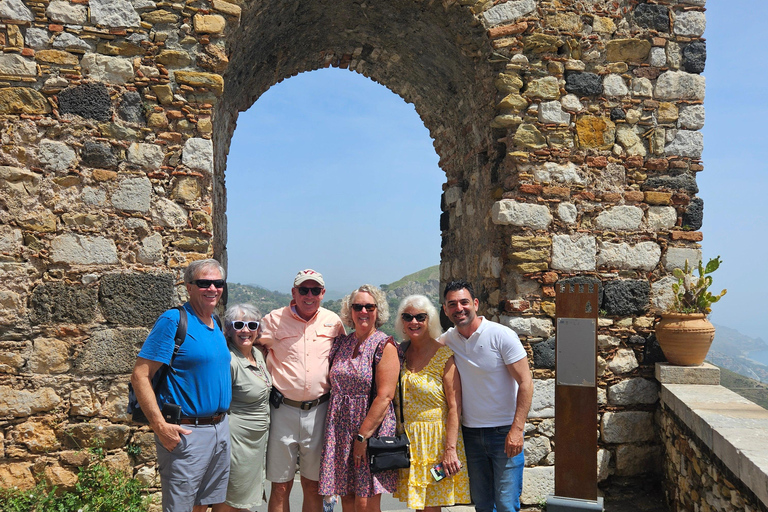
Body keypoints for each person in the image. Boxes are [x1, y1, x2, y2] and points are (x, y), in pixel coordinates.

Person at [131, 259, 232, 512]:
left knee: (203, 505)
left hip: (219, 429)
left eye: (217, 283)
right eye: (204, 283)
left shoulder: (215, 323)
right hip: (188, 433)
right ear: (189, 286)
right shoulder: (174, 320)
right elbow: (140, 375)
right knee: (180, 508)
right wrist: (159, 426)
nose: (212, 289)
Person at [440, 280, 533, 512]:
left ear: (476, 304)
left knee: (505, 504)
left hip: (504, 434)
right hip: (471, 435)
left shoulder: (502, 336)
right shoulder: (448, 340)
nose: (459, 308)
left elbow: (526, 382)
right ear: (445, 309)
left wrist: (517, 429)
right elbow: (420, 351)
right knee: (482, 504)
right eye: (452, 304)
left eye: (464, 302)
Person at [259, 269, 345, 512]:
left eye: (315, 290)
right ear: (293, 292)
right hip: (282, 410)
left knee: (313, 483)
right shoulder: (273, 320)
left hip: (320, 411)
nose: (309, 295)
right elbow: (252, 350)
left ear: (323, 293)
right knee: (280, 485)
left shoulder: (333, 322)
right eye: (304, 290)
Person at [319, 284, 401, 512]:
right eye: (358, 306)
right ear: (350, 310)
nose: (363, 311)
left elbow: (385, 397)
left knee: (365, 502)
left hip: (368, 431)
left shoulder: (385, 345)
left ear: (377, 311)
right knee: (347, 496)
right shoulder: (342, 343)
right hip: (339, 429)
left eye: (369, 306)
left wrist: (362, 438)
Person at [392, 295, 471, 512]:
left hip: (436, 442)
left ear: (430, 320)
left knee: (431, 508)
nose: (414, 322)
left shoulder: (444, 356)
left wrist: (450, 450)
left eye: (420, 317)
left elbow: (455, 407)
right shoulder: (400, 353)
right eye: (408, 316)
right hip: (409, 442)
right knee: (420, 506)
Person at [213, 303, 271, 512]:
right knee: (230, 499)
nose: (245, 330)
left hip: (255, 442)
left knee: (245, 498)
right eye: (238, 324)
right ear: (228, 329)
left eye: (252, 325)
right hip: (236, 441)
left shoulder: (257, 355)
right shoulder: (229, 360)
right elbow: (218, 404)